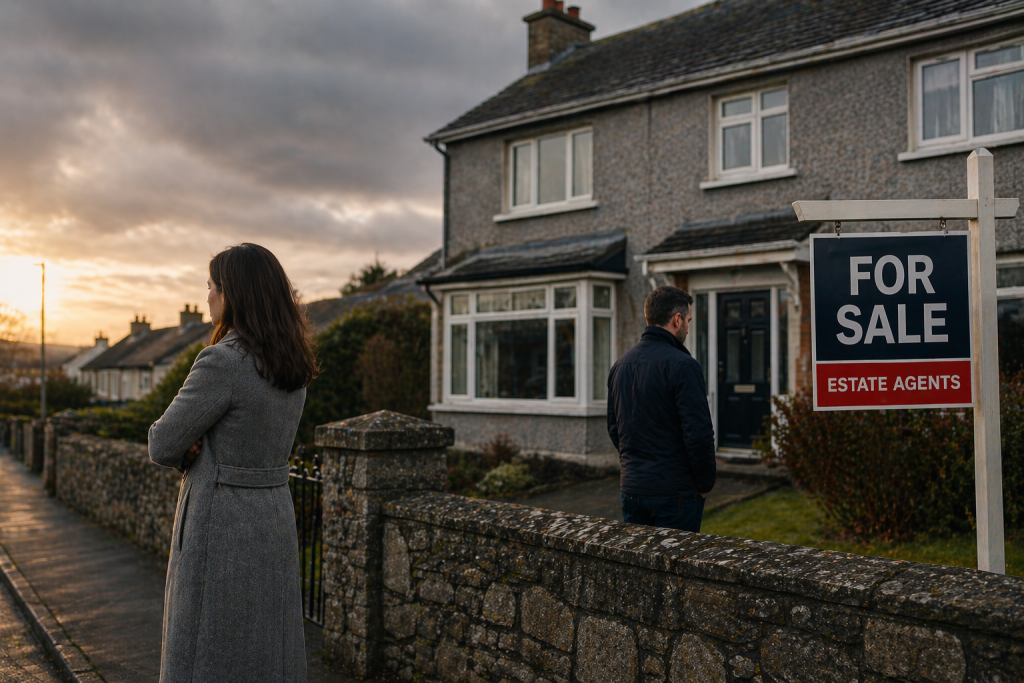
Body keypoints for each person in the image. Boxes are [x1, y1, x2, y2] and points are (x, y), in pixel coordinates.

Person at [149, 243, 317, 683]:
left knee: (207, 650)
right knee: (268, 647)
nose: (207, 297)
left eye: (211, 287)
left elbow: (163, 442)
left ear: (231, 294)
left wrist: (190, 445)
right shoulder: (293, 363)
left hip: (220, 524)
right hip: (274, 518)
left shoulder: (222, 361)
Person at [607, 285, 716, 532]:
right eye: (688, 320)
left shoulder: (620, 365)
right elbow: (698, 434)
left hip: (632, 490)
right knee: (675, 568)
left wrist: (635, 466)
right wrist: (705, 484)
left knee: (640, 567)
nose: (688, 326)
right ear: (677, 320)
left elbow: (615, 428)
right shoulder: (683, 366)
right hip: (675, 493)